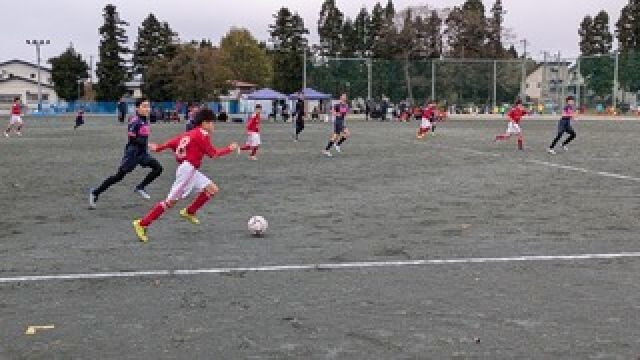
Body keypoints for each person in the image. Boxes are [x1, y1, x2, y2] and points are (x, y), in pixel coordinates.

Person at [132, 109, 238, 243]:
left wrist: (159, 148)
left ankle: (189, 211)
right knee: (170, 202)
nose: (213, 126)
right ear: (204, 123)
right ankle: (142, 223)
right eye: (212, 123)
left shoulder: (189, 133)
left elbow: (172, 142)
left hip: (191, 169)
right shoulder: (202, 135)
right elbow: (213, 153)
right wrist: (230, 148)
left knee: (212, 189)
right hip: (187, 171)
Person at [89, 98, 163, 209]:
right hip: (132, 154)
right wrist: (146, 144)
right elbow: (132, 138)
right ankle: (95, 192)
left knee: (158, 168)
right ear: (137, 108)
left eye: (148, 106)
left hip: (142, 153)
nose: (147, 108)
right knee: (119, 176)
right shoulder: (135, 120)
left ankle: (140, 187)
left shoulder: (145, 119)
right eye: (144, 106)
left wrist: (146, 145)